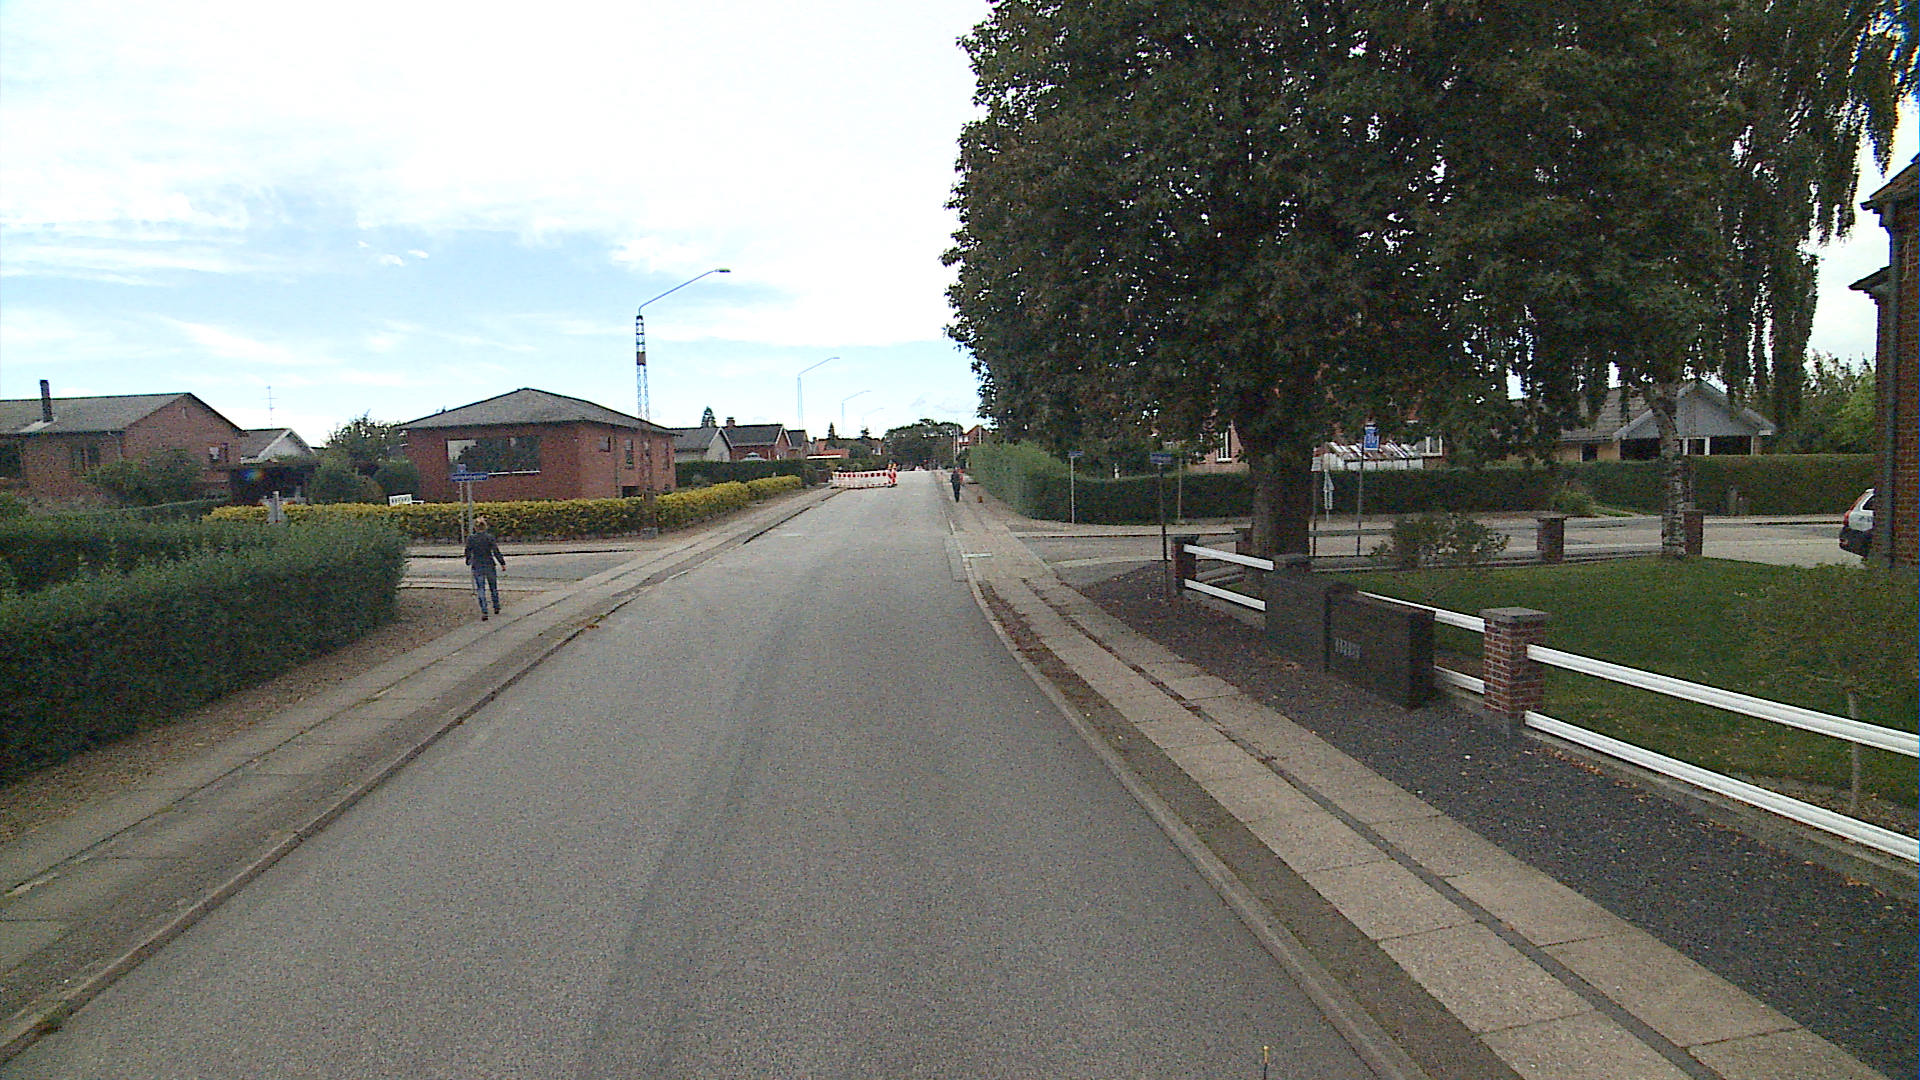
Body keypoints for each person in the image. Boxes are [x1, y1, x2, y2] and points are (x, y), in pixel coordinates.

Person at [464, 516, 507, 620]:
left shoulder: (471, 538)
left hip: (477, 565)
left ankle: (484, 610)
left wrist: (468, 560)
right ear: (485, 527)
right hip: (489, 564)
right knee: (493, 587)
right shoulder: (489, 537)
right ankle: (496, 606)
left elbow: (467, 551)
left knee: (481, 589)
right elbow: (496, 551)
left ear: (475, 527)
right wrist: (502, 563)